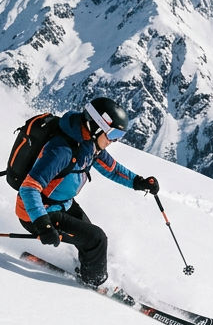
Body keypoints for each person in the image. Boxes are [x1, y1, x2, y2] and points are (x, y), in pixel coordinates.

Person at [16, 96, 159, 287]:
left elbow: (113, 169)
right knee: (96, 239)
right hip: (38, 212)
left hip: (62, 203)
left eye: (118, 136)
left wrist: (140, 182)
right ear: (97, 125)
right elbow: (29, 187)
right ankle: (94, 282)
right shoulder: (61, 150)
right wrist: (43, 224)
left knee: (91, 242)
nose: (113, 141)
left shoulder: (89, 144)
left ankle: (86, 269)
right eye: (112, 134)